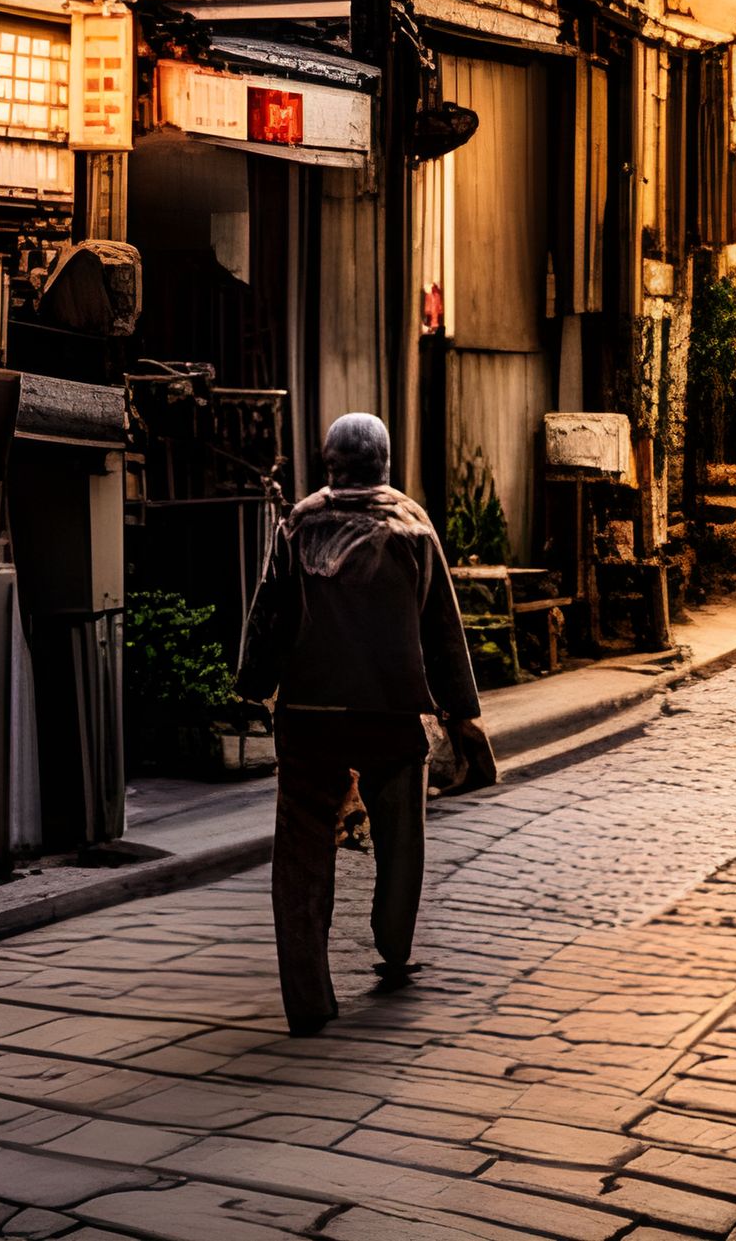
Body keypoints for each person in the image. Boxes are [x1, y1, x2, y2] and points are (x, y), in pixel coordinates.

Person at [236, 412, 495, 1036]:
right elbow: (442, 627)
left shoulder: (297, 524)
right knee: (402, 838)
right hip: (393, 713)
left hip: (310, 718)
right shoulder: (412, 524)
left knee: (300, 856)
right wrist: (462, 713)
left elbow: (268, 612)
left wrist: (251, 686)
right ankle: (394, 943)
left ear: (329, 463)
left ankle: (308, 997)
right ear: (384, 462)